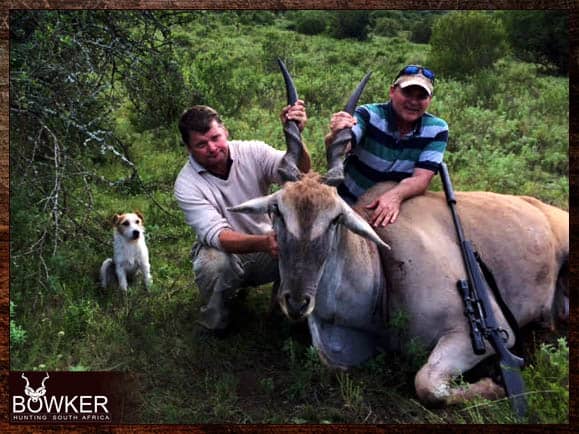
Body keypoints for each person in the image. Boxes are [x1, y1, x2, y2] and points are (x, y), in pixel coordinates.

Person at [174, 102, 310, 332]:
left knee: (307, 246)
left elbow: (300, 177)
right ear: (188, 148)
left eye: (216, 137)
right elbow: (217, 235)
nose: (212, 148)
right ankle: (217, 321)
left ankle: (282, 311)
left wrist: (295, 135)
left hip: (268, 246)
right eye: (201, 144)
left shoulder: (253, 151)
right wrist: (265, 243)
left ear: (225, 131)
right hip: (229, 251)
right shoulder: (186, 184)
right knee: (213, 264)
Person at [325, 64, 448, 227]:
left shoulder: (437, 129)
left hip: (394, 209)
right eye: (407, 93)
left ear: (429, 100)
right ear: (392, 91)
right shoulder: (368, 114)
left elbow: (421, 178)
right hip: (347, 202)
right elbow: (343, 146)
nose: (413, 101)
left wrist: (395, 196)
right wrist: (336, 134)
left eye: (421, 96)